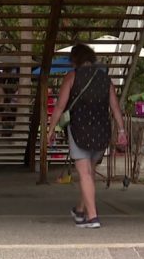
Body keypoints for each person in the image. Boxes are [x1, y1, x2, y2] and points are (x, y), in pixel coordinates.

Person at [48, 44, 127, 229]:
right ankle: (80, 210)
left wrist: (50, 130)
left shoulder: (72, 77)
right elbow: (115, 108)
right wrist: (121, 130)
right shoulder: (105, 79)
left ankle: (93, 218)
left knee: (84, 174)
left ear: (74, 59)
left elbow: (60, 106)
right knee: (89, 174)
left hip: (79, 130)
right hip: (101, 131)